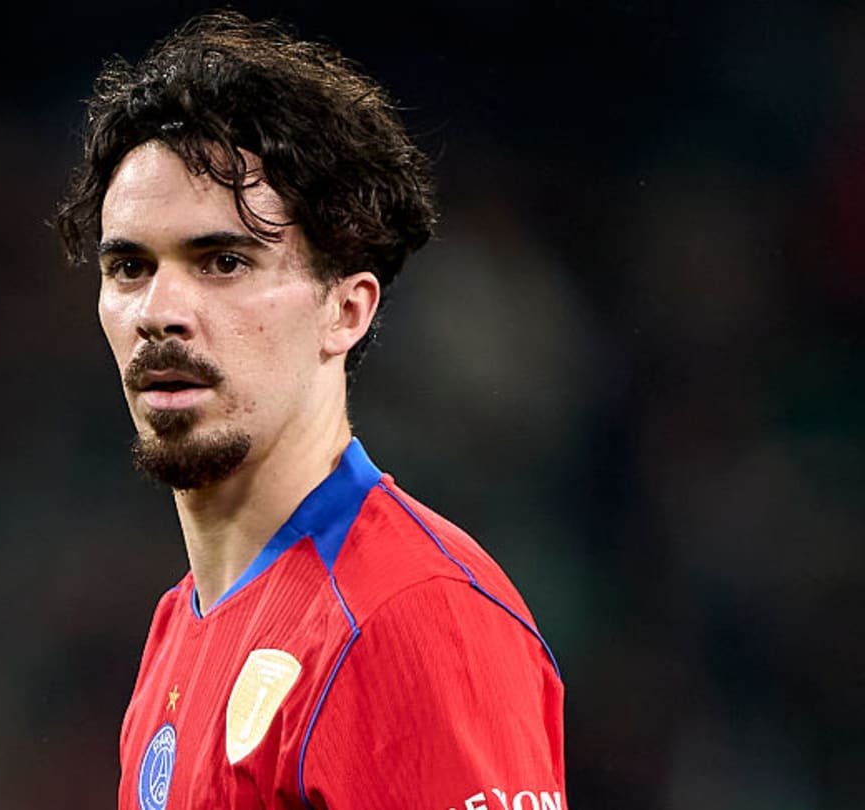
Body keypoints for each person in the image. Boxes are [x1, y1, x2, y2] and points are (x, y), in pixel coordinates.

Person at [54, 11, 566, 809]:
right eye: (129, 266)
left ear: (346, 311)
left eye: (222, 260)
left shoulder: (409, 616)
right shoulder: (179, 628)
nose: (160, 308)